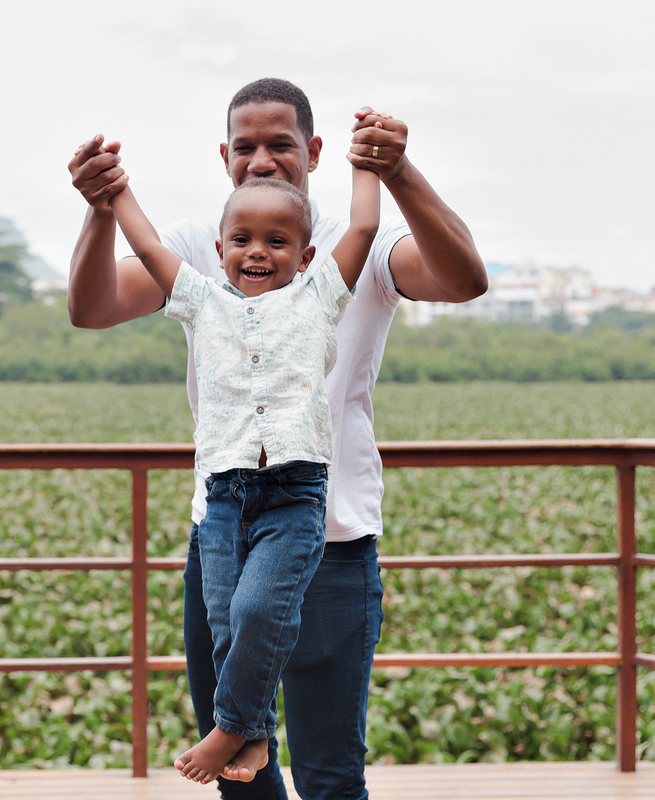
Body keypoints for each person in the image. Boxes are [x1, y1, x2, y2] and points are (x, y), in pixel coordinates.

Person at [67, 78, 487, 800]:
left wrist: (394, 171)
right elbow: (94, 306)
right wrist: (100, 206)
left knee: (329, 772)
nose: (262, 159)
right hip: (223, 525)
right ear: (224, 155)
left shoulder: (351, 252)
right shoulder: (203, 247)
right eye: (246, 146)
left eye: (281, 145)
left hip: (331, 534)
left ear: (315, 151)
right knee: (242, 776)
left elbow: (464, 278)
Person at [108, 149, 380, 786]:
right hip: (225, 496)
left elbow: (363, 230)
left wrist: (368, 163)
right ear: (219, 246)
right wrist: (117, 190)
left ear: (306, 255)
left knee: (262, 609)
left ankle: (230, 728)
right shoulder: (201, 300)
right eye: (242, 239)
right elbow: (147, 246)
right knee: (227, 618)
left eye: (278, 241)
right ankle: (254, 737)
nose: (258, 252)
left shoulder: (319, 298)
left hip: (292, 493)